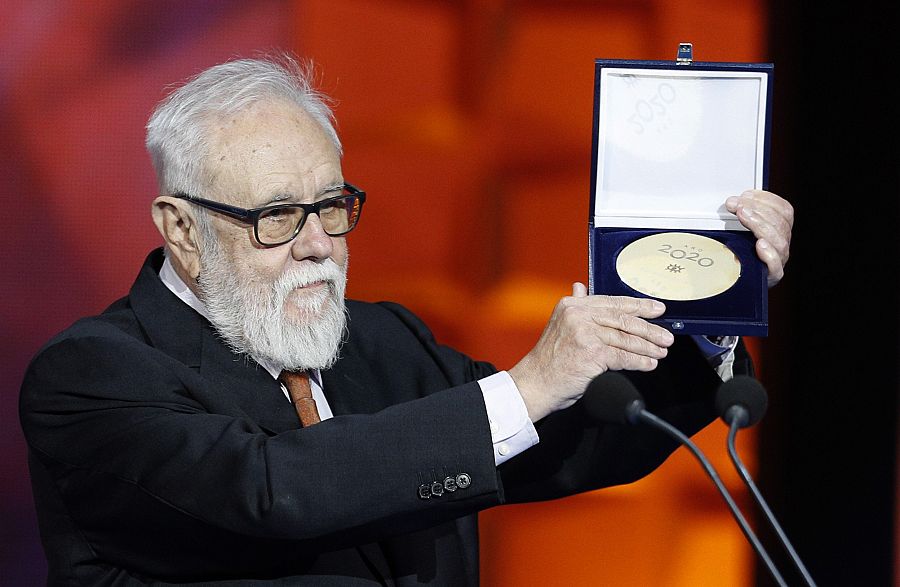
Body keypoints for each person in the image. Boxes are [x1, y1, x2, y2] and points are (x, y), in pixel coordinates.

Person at [19, 56, 793, 586]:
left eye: (330, 205)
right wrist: (527, 384)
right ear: (181, 228)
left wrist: (707, 309)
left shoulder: (382, 342)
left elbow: (566, 444)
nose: (320, 242)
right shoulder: (91, 376)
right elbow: (272, 488)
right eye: (280, 215)